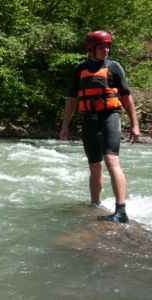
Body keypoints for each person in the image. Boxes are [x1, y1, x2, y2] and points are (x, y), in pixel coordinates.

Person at [60, 30, 140, 223]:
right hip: (90, 119)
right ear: (91, 49)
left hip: (110, 116)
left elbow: (126, 98)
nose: (106, 49)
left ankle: (121, 211)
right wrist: (65, 126)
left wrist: (135, 125)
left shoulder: (114, 67)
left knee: (111, 159)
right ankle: (95, 204)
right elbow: (72, 100)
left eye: (107, 45)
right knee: (94, 165)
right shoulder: (80, 69)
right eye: (102, 46)